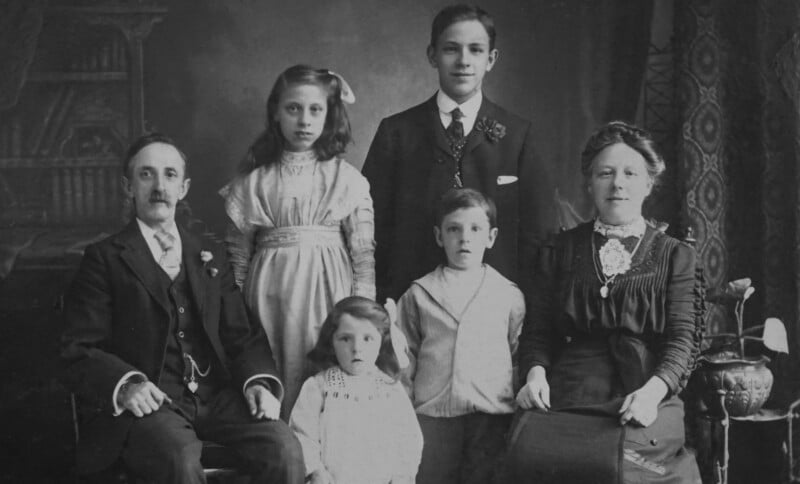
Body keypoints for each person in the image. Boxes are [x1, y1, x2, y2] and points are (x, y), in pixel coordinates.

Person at [60, 133, 304, 484]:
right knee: (178, 455)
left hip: (216, 398)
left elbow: (241, 334)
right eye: (146, 175)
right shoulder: (105, 258)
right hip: (153, 402)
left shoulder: (209, 254)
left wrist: (257, 383)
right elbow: (78, 349)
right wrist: (127, 385)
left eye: (170, 175)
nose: (159, 186)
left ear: (184, 187)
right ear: (128, 187)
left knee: (283, 446)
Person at [508, 121, 703, 483]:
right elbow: (539, 331)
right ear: (589, 183)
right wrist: (534, 375)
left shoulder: (675, 257)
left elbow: (683, 341)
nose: (617, 184)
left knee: (622, 465)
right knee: (527, 452)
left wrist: (651, 394)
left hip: (646, 385)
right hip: (571, 384)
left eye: (630, 173)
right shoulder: (559, 250)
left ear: (648, 184)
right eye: (605, 173)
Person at [362, 4, 551, 303]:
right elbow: (372, 226)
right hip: (412, 297)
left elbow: (537, 233)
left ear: (491, 59)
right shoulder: (397, 132)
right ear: (432, 55)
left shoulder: (518, 135)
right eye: (451, 49)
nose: (463, 61)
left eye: (475, 50)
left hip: (494, 301)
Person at [219, 65, 375, 417]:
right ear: (276, 112)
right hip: (269, 298)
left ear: (329, 115)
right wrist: (241, 322)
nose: (304, 120)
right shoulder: (254, 183)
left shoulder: (346, 180)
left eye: (315, 110)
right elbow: (237, 261)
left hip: (329, 294)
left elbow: (363, 257)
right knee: (273, 379)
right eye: (293, 108)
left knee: (323, 384)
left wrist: (362, 318)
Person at [396, 188, 525, 484]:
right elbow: (403, 357)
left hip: (491, 414)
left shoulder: (507, 294)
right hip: (433, 416)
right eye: (454, 229)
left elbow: (519, 355)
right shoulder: (419, 293)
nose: (464, 238)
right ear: (439, 236)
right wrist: (403, 410)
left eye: (475, 229)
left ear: (490, 237)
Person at [288, 296, 423, 484]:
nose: (357, 348)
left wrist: (401, 476)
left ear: (381, 342)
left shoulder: (389, 388)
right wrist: (316, 470)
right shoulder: (318, 387)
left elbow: (409, 438)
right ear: (332, 342)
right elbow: (302, 434)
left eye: (368, 339)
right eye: (345, 339)